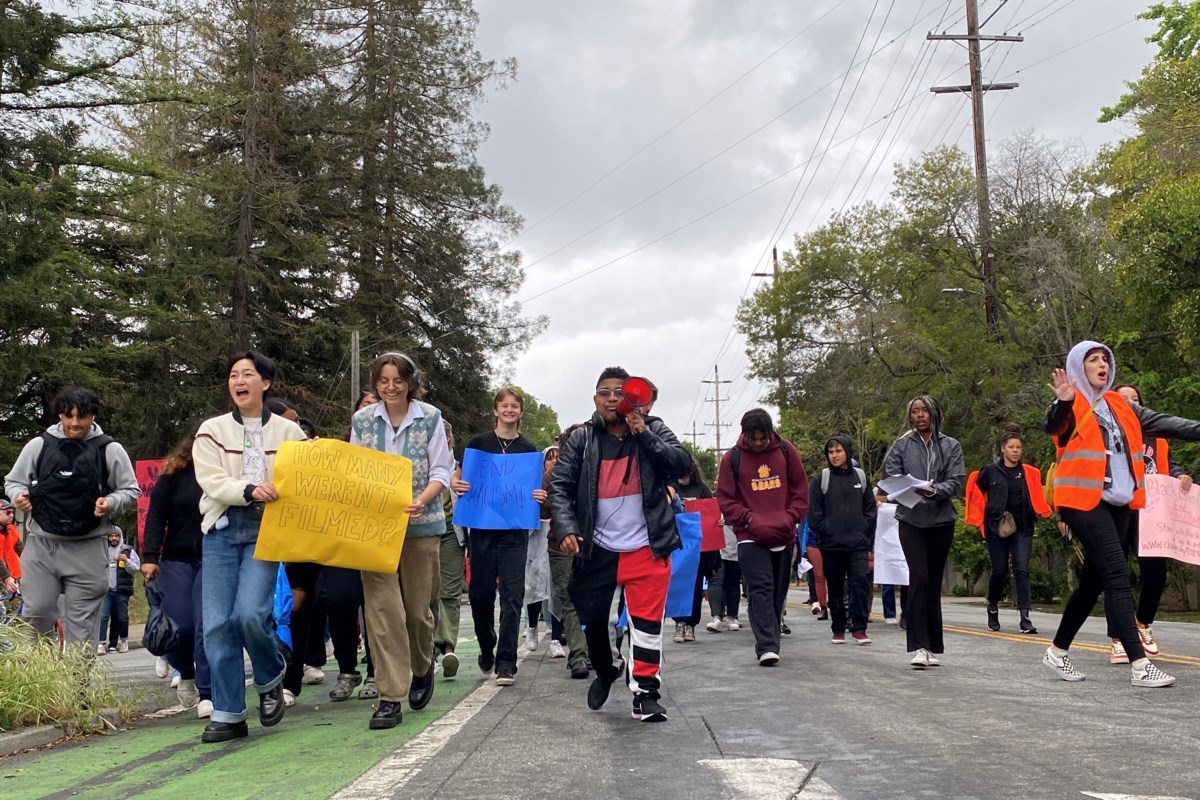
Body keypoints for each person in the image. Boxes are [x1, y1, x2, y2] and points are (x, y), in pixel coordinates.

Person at [1041, 342, 1200, 688]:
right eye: (1092, 360)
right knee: (1117, 574)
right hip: (1083, 502)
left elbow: (1167, 424)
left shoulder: (1118, 405)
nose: (1101, 364)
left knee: (1092, 582)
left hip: (1118, 503)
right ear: (1077, 368)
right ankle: (1140, 665)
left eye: (1105, 360)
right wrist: (1064, 401)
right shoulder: (1071, 403)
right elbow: (1054, 428)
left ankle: (1056, 651)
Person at [551, 367, 692, 722]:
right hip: (598, 550)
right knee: (596, 621)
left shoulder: (654, 428)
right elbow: (561, 487)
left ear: (633, 397)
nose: (612, 398)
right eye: (604, 392)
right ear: (595, 400)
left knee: (646, 625)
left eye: (619, 391)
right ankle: (607, 667)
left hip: (649, 546)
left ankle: (646, 693)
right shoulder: (582, 439)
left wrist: (643, 434)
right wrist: (567, 527)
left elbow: (681, 464)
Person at [193, 351, 307, 742]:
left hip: (267, 528)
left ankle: (270, 674)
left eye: (248, 374)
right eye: (233, 375)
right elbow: (211, 480)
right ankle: (228, 713)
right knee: (217, 625)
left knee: (249, 614)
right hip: (221, 528)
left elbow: (305, 478)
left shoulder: (291, 434)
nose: (239, 381)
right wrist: (248, 489)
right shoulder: (211, 430)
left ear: (266, 383)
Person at [351, 352, 452, 728]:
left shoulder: (430, 417)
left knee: (415, 611)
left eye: (398, 380)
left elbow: (441, 467)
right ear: (375, 383)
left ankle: (423, 666)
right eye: (383, 381)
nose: (390, 387)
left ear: (411, 382)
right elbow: (356, 469)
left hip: (420, 525)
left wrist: (423, 499)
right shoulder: (362, 420)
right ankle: (389, 695)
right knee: (382, 611)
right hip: (375, 529)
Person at [4, 387, 140, 648]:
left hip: (89, 547)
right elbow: (13, 481)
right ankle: (41, 682)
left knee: (81, 629)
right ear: (60, 416)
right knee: (37, 613)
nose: (75, 423)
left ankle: (77, 688)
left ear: (93, 416)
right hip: (42, 545)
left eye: (82, 416)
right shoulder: (39, 445)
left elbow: (131, 490)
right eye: (68, 416)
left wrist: (110, 503)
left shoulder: (109, 449)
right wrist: (18, 496)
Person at [451, 387, 546, 687]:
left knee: (512, 595)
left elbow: (533, 489)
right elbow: (459, 477)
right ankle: (486, 643)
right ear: (495, 410)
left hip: (514, 532)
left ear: (520, 412)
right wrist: (457, 483)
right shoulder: (478, 444)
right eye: (503, 405)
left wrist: (537, 495)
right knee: (479, 595)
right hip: (481, 531)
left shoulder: (529, 451)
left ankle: (507, 662)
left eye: (514, 405)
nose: (508, 410)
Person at [717, 408, 808, 667]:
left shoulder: (786, 451)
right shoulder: (731, 459)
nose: (758, 443)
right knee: (760, 590)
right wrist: (747, 518)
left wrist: (790, 516)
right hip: (749, 536)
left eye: (763, 437)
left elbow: (801, 489)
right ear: (744, 434)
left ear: (771, 433)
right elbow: (725, 498)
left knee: (778, 592)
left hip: (783, 533)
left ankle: (771, 630)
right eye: (753, 437)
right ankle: (767, 646)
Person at [881, 395, 965, 669]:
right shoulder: (902, 445)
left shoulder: (950, 445)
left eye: (924, 411)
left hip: (942, 521)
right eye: (914, 411)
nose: (919, 416)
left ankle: (933, 645)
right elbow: (891, 476)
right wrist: (912, 490)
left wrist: (934, 491)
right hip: (911, 520)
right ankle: (919, 645)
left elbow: (956, 481)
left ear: (934, 414)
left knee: (933, 583)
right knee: (918, 577)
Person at [1110, 383, 1192, 662]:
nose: (1131, 403)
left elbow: (1169, 464)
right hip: (1120, 508)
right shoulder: (1110, 435)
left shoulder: (1158, 437)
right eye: (1124, 399)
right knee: (1116, 573)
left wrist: (1181, 475)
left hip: (1151, 511)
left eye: (1136, 399)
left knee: (1155, 573)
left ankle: (1142, 624)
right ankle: (1118, 637)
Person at [142, 429, 211, 716]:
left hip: (213, 558)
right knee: (179, 624)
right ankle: (185, 671)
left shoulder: (224, 474)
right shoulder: (173, 477)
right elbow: (156, 516)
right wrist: (149, 557)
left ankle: (209, 693)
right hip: (177, 559)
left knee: (205, 625)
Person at [964, 424, 1052, 634]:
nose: (1015, 450)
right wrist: (981, 518)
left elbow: (1039, 496)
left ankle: (1025, 618)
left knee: (1021, 570)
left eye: (1018, 447)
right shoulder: (989, 472)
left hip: (1023, 527)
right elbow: (975, 494)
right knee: (1000, 570)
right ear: (1002, 449)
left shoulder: (1028, 472)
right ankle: (993, 607)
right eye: (1011, 447)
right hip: (997, 528)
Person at [809, 436, 877, 645]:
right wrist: (826, 532)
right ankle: (838, 628)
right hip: (831, 545)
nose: (835, 455)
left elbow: (870, 510)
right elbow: (814, 514)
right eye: (830, 452)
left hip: (857, 544)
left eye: (838, 451)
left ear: (847, 452)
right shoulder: (822, 479)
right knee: (836, 588)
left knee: (859, 585)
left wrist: (865, 532)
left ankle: (859, 628)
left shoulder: (861, 477)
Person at [545, 427, 590, 678]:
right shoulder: (552, 476)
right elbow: (542, 514)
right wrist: (540, 500)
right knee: (570, 598)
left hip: (595, 544)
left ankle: (596, 651)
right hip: (560, 545)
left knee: (596, 598)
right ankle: (578, 655)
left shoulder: (598, 470)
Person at [434, 420, 466, 678]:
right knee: (424, 594)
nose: (444, 437)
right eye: (438, 433)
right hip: (424, 532)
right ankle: (427, 650)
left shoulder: (461, 468)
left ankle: (447, 647)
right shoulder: (417, 466)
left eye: (447, 433)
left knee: (450, 592)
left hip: (452, 533)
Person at [670, 462, 713, 643]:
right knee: (677, 583)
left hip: (697, 546)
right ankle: (679, 623)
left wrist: (717, 521)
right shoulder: (671, 487)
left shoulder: (701, 488)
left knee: (695, 585)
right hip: (676, 544)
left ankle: (691, 625)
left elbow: (711, 512)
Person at [97, 526, 139, 654]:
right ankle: (100, 643)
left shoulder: (127, 550)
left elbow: (136, 569)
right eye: (111, 536)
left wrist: (126, 561)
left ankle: (123, 641)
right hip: (106, 590)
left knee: (121, 617)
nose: (114, 538)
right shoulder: (102, 550)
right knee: (103, 616)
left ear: (120, 537)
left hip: (122, 590)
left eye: (116, 536)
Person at [0, 498, 21, 597]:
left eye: (12, 512)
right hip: (6, 579)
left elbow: (23, 552)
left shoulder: (11, 529)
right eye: (8, 512)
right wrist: (7, 578)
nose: (12, 515)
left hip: (12, 579)